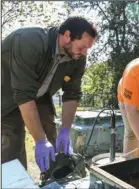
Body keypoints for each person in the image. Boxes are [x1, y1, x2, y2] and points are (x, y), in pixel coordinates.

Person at [1, 16, 98, 173]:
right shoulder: (29, 41)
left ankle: (52, 178)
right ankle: (14, 182)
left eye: (88, 48)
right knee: (14, 141)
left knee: (52, 140)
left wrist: (66, 130)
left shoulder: (77, 57)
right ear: (67, 35)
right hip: (6, 96)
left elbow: (72, 94)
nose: (85, 53)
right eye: (82, 47)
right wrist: (40, 140)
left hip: (40, 96)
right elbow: (23, 95)